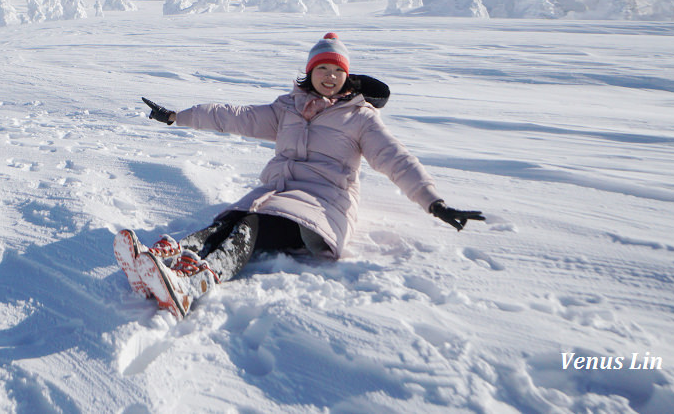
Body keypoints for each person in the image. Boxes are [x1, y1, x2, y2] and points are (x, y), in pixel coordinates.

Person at [114, 33, 484, 319]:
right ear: (310, 71)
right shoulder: (287, 108)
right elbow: (234, 116)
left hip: (324, 206)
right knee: (229, 220)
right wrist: (178, 116)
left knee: (249, 228)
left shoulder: (361, 118)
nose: (330, 76)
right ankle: (165, 262)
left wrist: (433, 202)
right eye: (323, 68)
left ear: (347, 76)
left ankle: (195, 283)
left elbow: (394, 158)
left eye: (338, 70)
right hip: (278, 193)